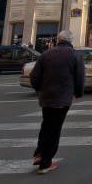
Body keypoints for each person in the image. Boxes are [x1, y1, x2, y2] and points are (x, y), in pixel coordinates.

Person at [29, 30, 85, 174]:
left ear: (58, 40)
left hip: (46, 98)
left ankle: (39, 154)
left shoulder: (45, 54)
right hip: (62, 98)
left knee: (46, 125)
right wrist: (78, 93)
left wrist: (39, 90)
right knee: (54, 129)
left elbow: (34, 77)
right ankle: (45, 163)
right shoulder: (75, 55)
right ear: (71, 41)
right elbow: (80, 78)